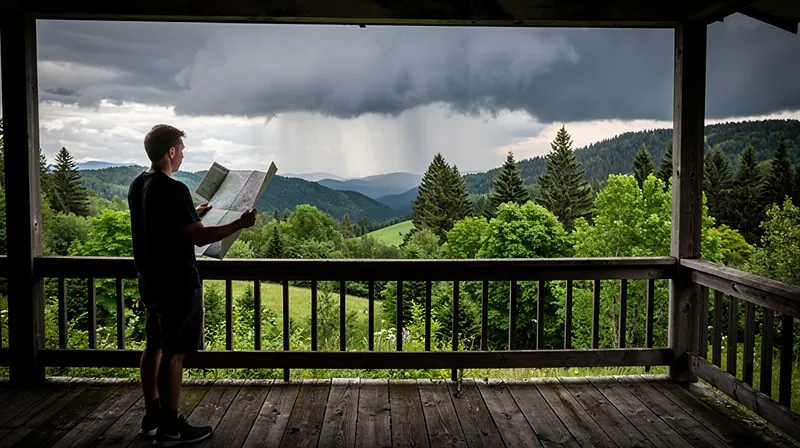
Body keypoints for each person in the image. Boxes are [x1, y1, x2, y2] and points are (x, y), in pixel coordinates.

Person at [128, 124, 256, 446]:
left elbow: (159, 226)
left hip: (150, 280)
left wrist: (192, 213)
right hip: (177, 282)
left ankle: (152, 417)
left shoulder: (138, 185)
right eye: (181, 149)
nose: (183, 155)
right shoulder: (174, 190)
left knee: (154, 344)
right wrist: (240, 223)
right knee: (174, 354)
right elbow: (199, 237)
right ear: (171, 151)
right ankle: (171, 427)